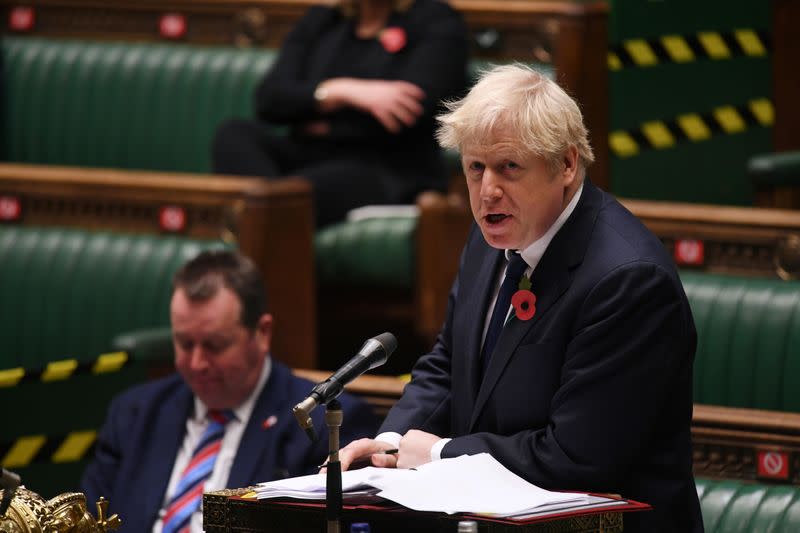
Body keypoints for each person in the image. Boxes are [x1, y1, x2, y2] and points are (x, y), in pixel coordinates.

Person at [338, 64, 703, 532]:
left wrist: (432, 453)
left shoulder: (628, 281)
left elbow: (574, 459)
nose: (487, 191)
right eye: (475, 168)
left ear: (566, 165)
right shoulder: (492, 238)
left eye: (509, 167)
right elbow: (449, 363)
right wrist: (389, 444)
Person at [81, 250, 378, 533]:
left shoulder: (325, 427)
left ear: (262, 334)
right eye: (185, 344)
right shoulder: (135, 413)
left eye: (215, 345)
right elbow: (90, 521)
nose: (197, 364)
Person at [212, 0, 468, 227]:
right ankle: (275, 212)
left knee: (292, 194)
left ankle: (268, 220)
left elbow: (412, 112)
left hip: (384, 165)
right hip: (308, 157)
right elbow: (269, 99)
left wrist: (321, 120)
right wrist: (340, 91)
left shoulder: (434, 19)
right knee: (234, 135)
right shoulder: (324, 20)